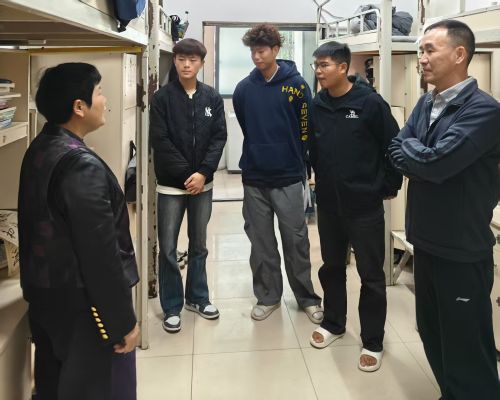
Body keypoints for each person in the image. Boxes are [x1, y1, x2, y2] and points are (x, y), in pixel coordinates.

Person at [389, 20, 500, 398]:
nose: (421, 58)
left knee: (466, 345)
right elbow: (396, 148)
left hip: (461, 249)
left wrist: (418, 157)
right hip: (426, 241)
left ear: (459, 54)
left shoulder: (484, 111)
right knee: (432, 332)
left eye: (429, 50)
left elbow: (435, 165)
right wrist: (420, 157)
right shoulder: (426, 103)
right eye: (420, 51)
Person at [18, 63, 140, 399]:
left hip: (47, 298)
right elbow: (99, 255)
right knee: (98, 388)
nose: (105, 100)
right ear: (79, 106)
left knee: (55, 386)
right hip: (83, 308)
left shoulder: (41, 147)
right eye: (99, 92)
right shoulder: (80, 166)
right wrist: (122, 322)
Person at [308, 42, 401, 372]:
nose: (318, 71)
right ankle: (334, 323)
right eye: (316, 65)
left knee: (371, 276)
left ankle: (372, 341)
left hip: (364, 206)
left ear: (343, 68)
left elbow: (394, 145)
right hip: (329, 204)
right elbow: (313, 146)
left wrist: (388, 186)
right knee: (332, 267)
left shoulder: (369, 103)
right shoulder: (318, 104)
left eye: (324, 65)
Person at [233, 24, 323, 323]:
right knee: (261, 242)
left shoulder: (297, 86)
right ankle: (268, 296)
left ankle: (307, 297)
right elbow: (247, 126)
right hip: (255, 177)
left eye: (262, 51)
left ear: (275, 50)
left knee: (296, 240)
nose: (257, 57)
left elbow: (306, 129)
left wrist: (301, 164)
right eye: (253, 52)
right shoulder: (244, 89)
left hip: (288, 176)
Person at [150, 38, 227, 333]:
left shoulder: (212, 97)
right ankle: (172, 306)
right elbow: (160, 140)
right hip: (171, 186)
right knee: (168, 248)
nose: (186, 64)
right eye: (181, 59)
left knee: (199, 245)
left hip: (202, 185)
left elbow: (219, 137)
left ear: (201, 64)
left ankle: (198, 297)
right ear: (175, 61)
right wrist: (188, 175)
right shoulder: (162, 98)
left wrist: (203, 173)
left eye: (192, 60)